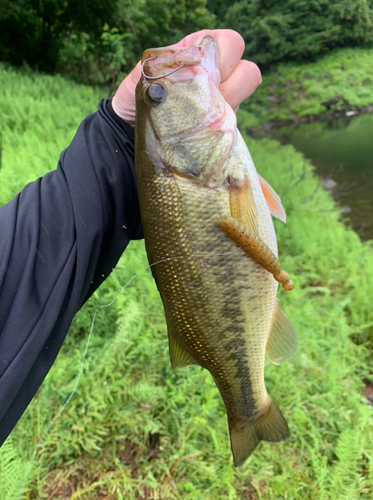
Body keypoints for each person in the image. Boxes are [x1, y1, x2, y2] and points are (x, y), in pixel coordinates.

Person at [0, 29, 261, 446]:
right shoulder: (202, 163)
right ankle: (250, 410)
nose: (157, 81)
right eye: (156, 96)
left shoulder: (193, 161)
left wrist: (116, 137)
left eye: (154, 95)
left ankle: (247, 406)